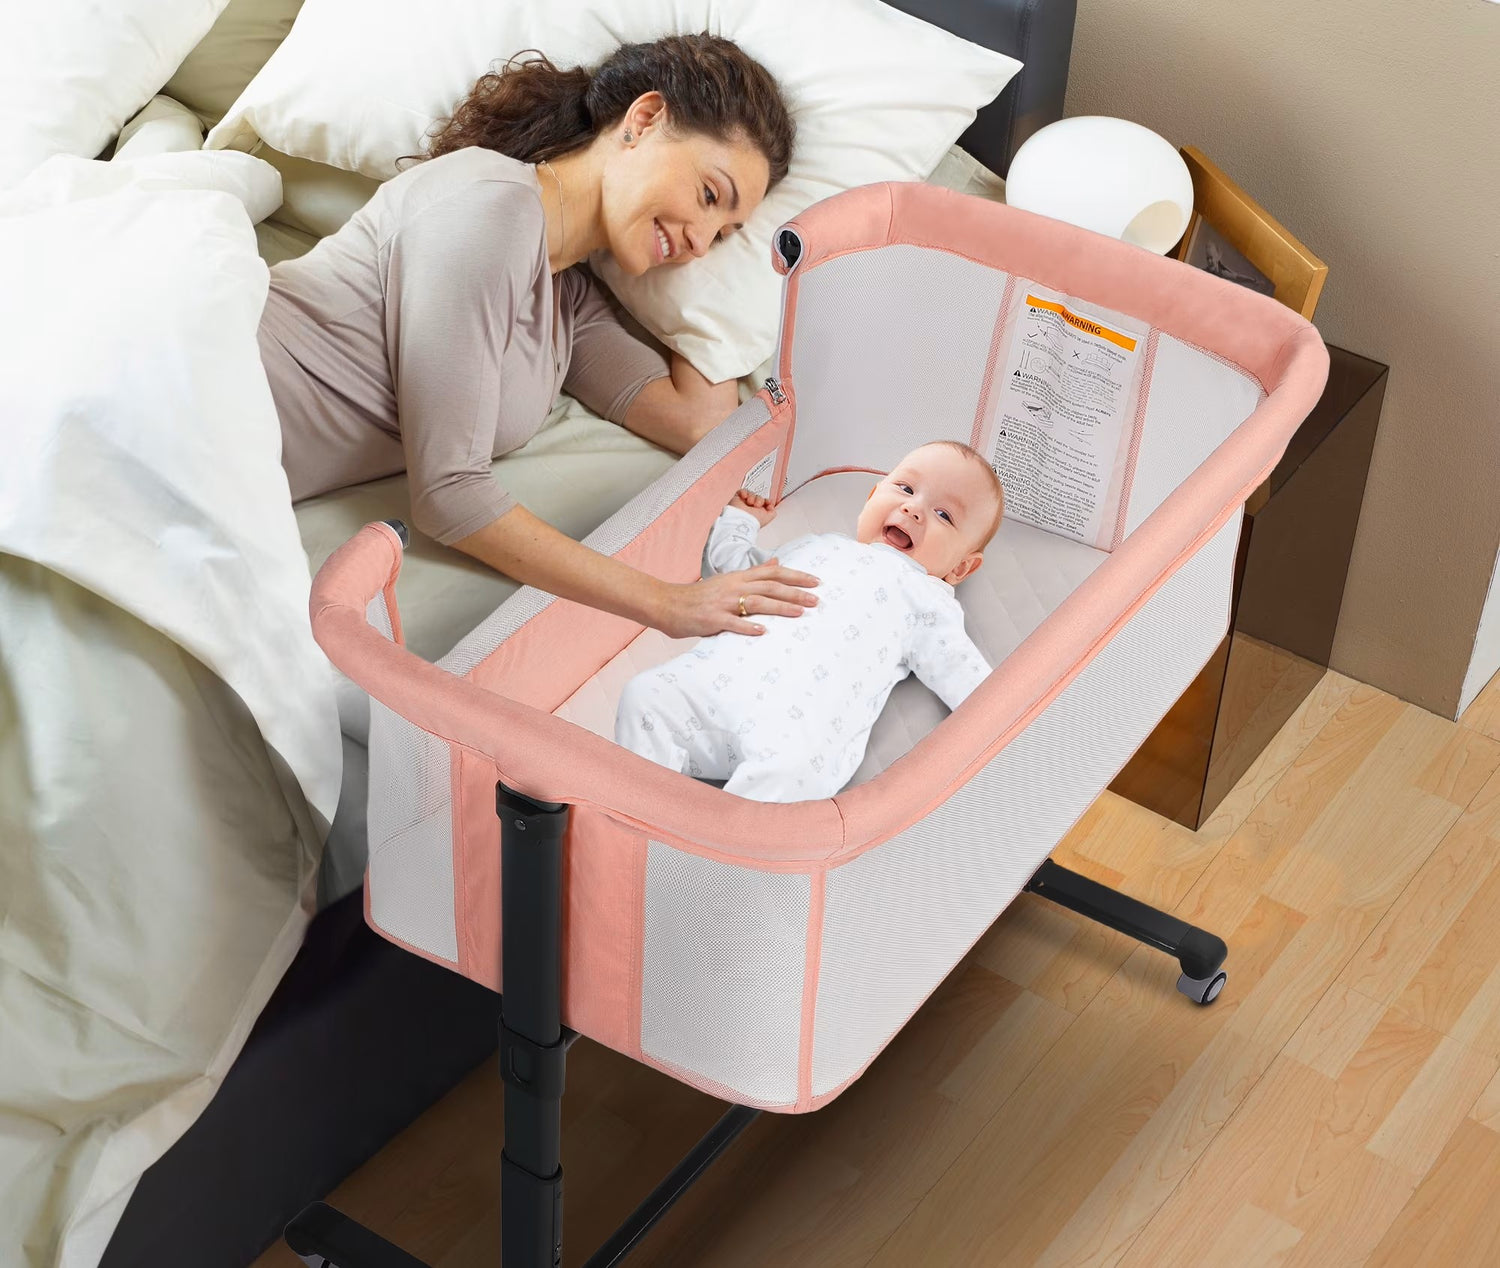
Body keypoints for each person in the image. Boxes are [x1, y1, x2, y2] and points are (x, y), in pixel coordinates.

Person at [257, 34, 820, 639]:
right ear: (645, 120)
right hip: (198, 387)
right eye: (709, 195)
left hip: (244, 460)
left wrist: (722, 310)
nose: (700, 242)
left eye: (726, 235)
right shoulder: (489, 206)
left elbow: (697, 424)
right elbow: (449, 497)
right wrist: (668, 603)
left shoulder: (567, 303)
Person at [614, 441, 1005, 802]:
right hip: (718, 687)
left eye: (943, 515)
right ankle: (638, 814)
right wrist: (738, 520)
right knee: (645, 695)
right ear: (871, 497)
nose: (913, 509)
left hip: (794, 729)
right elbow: (734, 573)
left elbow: (971, 684)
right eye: (905, 489)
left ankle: (708, 857)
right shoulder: (818, 546)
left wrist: (1013, 726)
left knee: (788, 775)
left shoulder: (927, 598)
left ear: (961, 567)